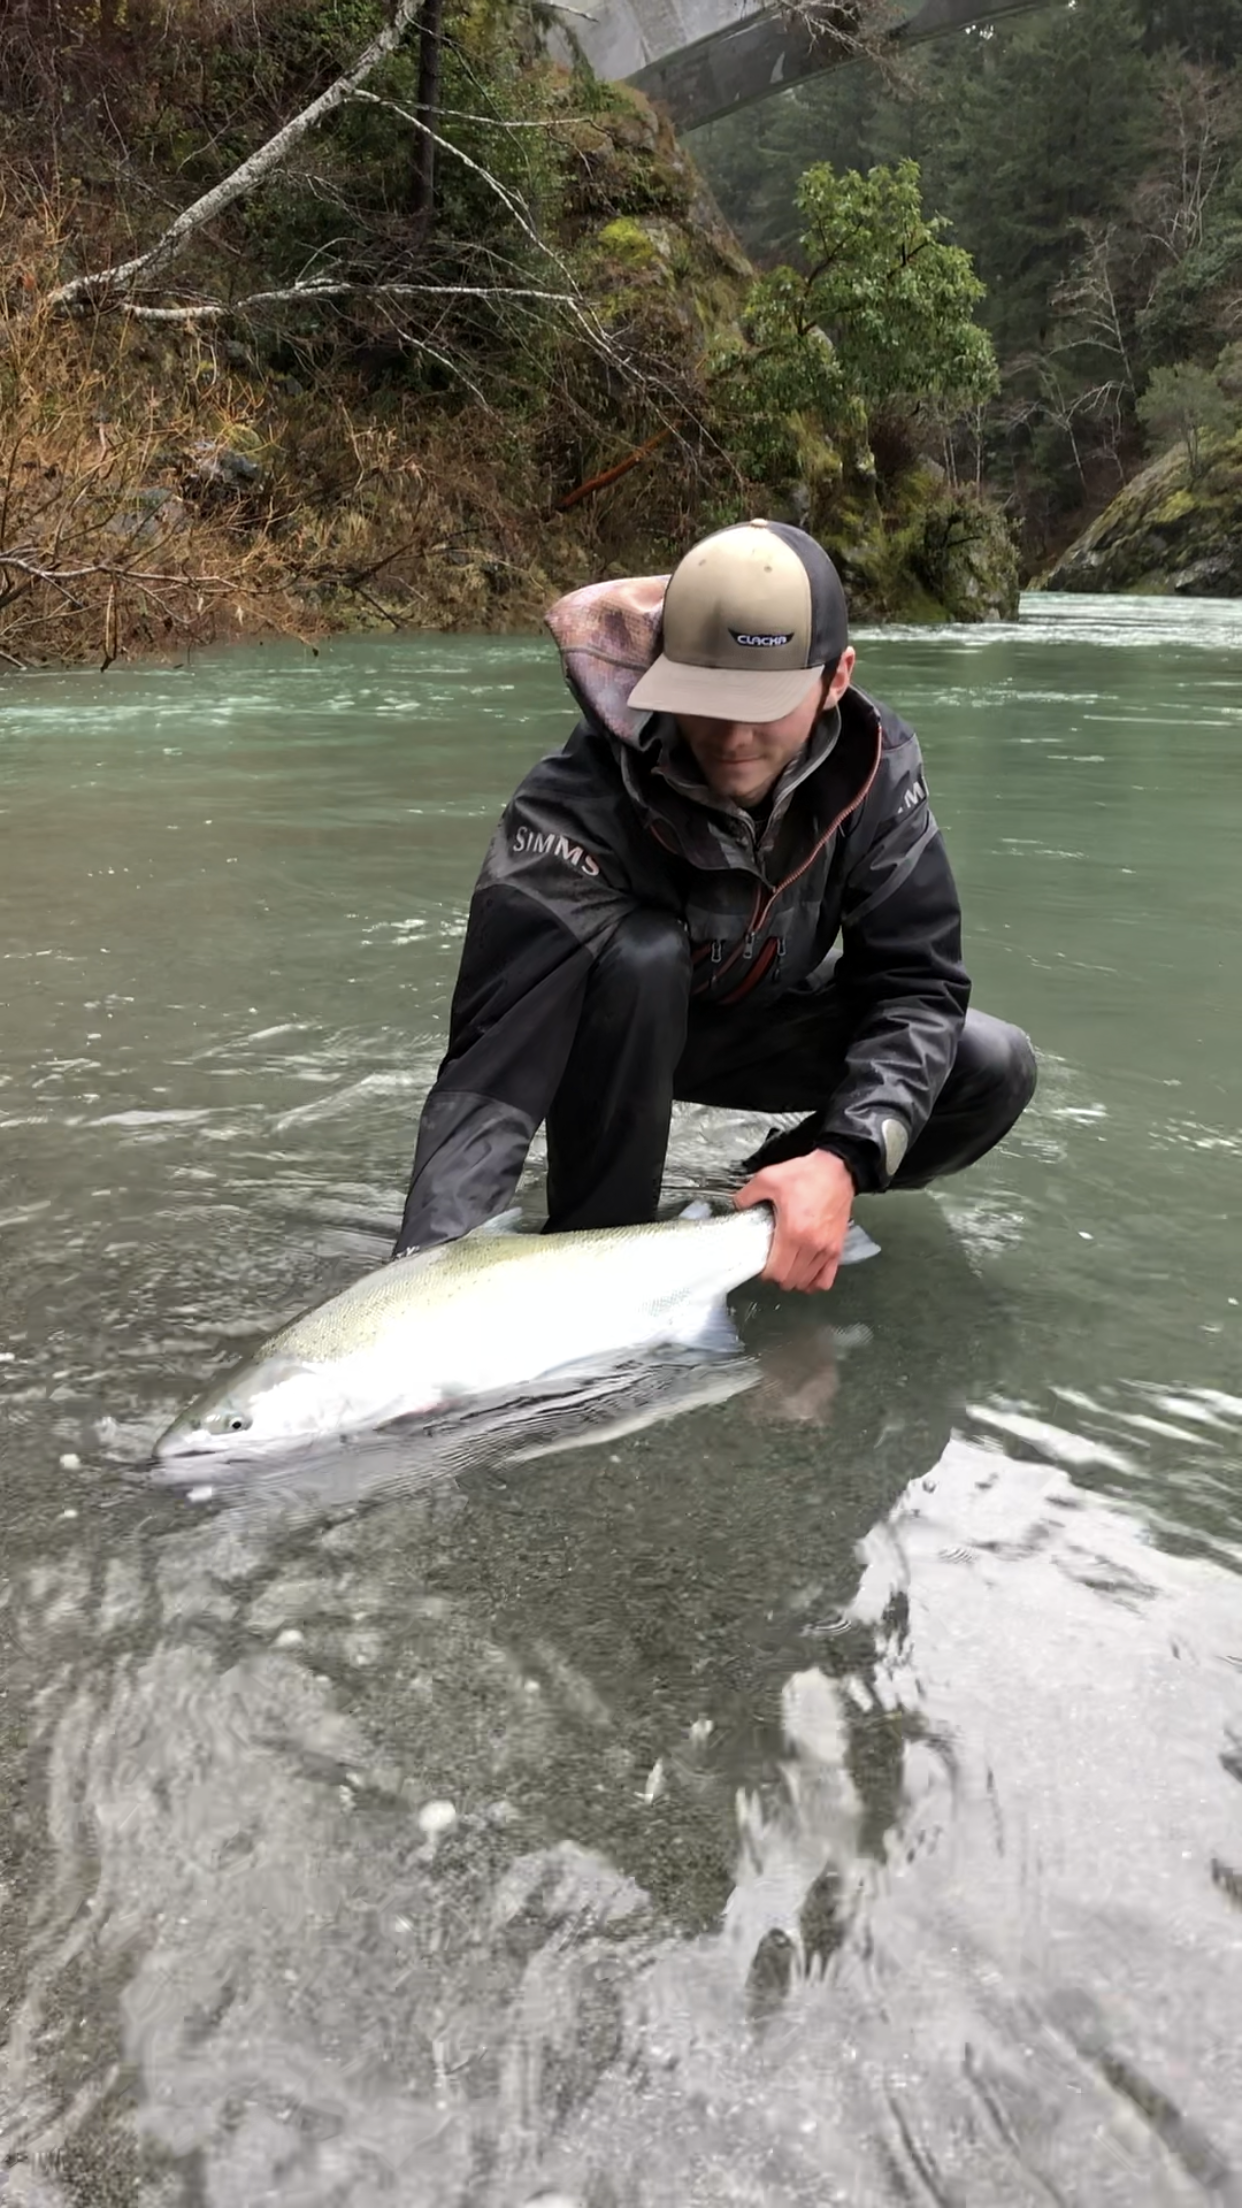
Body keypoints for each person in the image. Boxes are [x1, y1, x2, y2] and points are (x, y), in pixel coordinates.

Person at [394, 519, 1036, 1292]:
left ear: (836, 679)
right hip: (611, 1028)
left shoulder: (882, 775)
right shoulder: (574, 803)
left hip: (759, 1024)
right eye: (705, 699)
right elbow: (491, 1076)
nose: (732, 737)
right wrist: (424, 1279)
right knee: (643, 955)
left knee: (989, 1064)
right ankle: (601, 1248)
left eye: (763, 704)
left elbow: (917, 987)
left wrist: (838, 1160)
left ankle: (764, 1203)